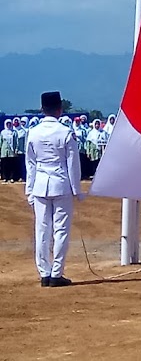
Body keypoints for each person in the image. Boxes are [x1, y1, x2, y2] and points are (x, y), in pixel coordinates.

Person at [25, 91, 83, 287]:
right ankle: (56, 273)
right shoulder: (65, 132)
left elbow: (30, 164)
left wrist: (29, 189)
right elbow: (73, 164)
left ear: (42, 109)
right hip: (61, 183)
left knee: (42, 230)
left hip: (40, 184)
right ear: (60, 109)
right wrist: (77, 189)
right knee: (61, 230)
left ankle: (44, 272)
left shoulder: (33, 132)